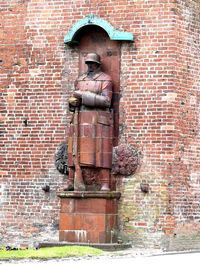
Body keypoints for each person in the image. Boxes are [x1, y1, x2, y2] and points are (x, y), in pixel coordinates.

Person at [65, 52, 113, 191]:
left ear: (97, 64)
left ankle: (105, 182)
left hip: (97, 120)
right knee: (74, 149)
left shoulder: (106, 79)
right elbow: (74, 100)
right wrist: (73, 102)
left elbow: (106, 101)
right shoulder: (80, 80)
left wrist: (82, 95)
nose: (90, 66)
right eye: (88, 63)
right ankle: (71, 180)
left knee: (101, 152)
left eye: (92, 63)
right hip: (79, 119)